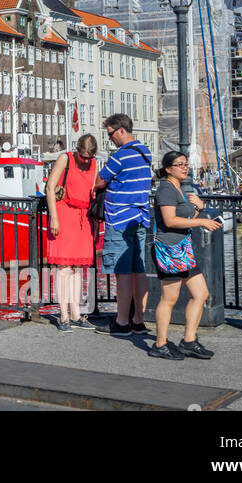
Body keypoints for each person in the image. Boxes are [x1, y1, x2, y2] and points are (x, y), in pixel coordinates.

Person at [148, 151, 220, 360]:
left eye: (186, 164)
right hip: (169, 249)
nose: (185, 167)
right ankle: (160, 344)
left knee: (201, 294)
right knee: (169, 298)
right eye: (180, 164)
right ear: (168, 169)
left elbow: (185, 218)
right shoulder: (166, 189)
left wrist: (199, 209)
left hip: (183, 249)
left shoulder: (178, 188)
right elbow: (170, 221)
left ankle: (189, 341)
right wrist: (202, 221)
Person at [93, 114, 153, 337]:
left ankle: (121, 322)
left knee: (122, 273)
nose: (110, 139)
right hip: (139, 219)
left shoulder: (120, 156)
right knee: (139, 270)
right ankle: (138, 320)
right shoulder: (144, 152)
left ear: (120, 130)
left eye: (110, 134)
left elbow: (100, 181)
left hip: (119, 219)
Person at [44, 134, 103, 332]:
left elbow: (93, 192)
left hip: (84, 218)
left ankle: (76, 313)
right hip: (64, 213)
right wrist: (54, 217)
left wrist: (95, 221)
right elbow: (50, 187)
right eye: (83, 156)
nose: (86, 160)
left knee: (78, 268)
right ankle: (63, 315)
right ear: (77, 150)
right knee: (64, 268)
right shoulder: (65, 158)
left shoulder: (94, 163)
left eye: (89, 157)